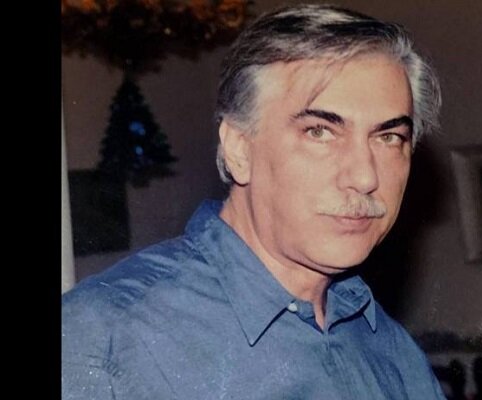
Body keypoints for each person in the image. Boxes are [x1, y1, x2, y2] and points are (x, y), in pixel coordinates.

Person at [62, 4, 445, 399]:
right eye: (319, 132)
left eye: (389, 137)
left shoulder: (395, 354)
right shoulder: (105, 339)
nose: (365, 177)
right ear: (239, 150)